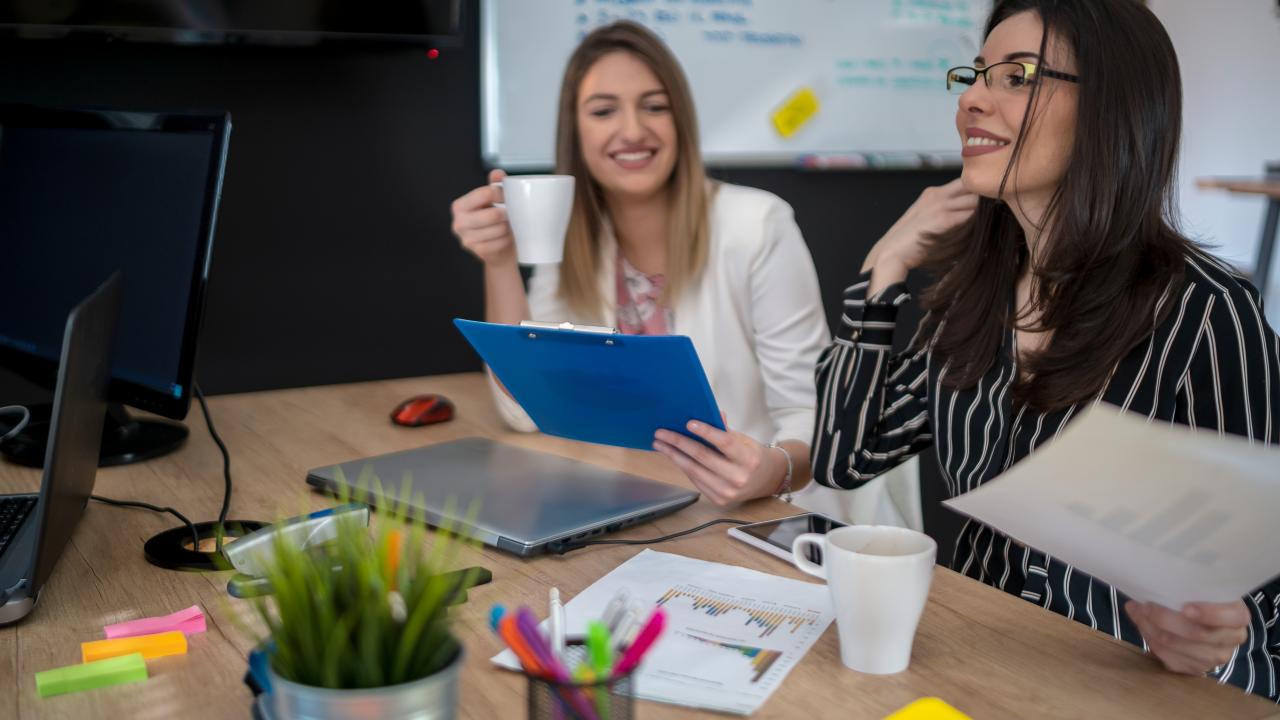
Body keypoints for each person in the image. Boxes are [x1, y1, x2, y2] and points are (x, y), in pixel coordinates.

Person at [810, 0, 1280, 700]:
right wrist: (883, 274)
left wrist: (1227, 630)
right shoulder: (973, 298)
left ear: (1110, 111)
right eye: (976, 75)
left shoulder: (1206, 312)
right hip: (972, 666)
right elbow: (846, 458)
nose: (972, 99)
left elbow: (1264, 578)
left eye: (1017, 76)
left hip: (1130, 689)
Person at [452, 21, 920, 520]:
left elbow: (813, 416)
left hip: (753, 515)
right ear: (576, 133)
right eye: (604, 110)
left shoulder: (757, 225)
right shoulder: (571, 239)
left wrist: (775, 468)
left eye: (654, 106)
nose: (632, 130)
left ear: (681, 121)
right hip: (633, 505)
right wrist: (500, 262)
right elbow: (524, 410)